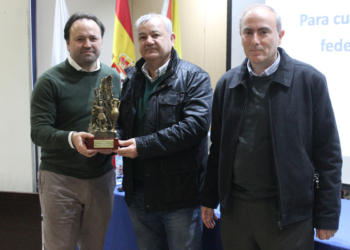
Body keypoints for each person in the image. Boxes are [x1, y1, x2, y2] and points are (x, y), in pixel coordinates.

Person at [201, 4, 342, 250]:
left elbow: (328, 155)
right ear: (241, 36)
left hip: (288, 217)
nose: (255, 40)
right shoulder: (227, 84)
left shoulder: (310, 81)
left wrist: (327, 214)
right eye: (248, 32)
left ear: (280, 35)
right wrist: (209, 198)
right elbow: (219, 149)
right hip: (236, 213)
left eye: (264, 31)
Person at [114, 14, 213, 250]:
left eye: (155, 34)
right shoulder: (131, 79)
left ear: (171, 38)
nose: (148, 41)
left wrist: (142, 146)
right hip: (138, 192)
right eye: (142, 36)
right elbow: (122, 123)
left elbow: (194, 127)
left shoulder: (194, 77)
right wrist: (111, 140)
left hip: (178, 196)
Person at [30, 13, 121, 249]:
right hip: (60, 180)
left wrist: (114, 141)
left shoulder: (112, 76)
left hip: (101, 179)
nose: (87, 44)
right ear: (68, 44)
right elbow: (38, 132)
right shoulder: (49, 81)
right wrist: (72, 139)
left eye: (93, 38)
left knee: (96, 246)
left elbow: (112, 123)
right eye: (80, 39)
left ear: (102, 41)